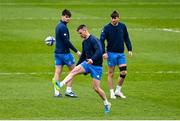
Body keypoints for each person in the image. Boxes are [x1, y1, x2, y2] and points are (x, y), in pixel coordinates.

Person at [52, 24, 111, 113]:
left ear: (85, 30)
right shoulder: (84, 42)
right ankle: (60, 84)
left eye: (80, 33)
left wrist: (92, 59)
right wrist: (77, 65)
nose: (80, 35)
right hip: (87, 63)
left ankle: (106, 103)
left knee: (96, 88)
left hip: (97, 67)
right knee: (73, 71)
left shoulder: (93, 40)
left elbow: (99, 51)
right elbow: (83, 55)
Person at [100, 10, 133, 99]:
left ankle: (118, 90)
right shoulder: (106, 28)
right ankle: (111, 92)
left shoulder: (122, 26)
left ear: (118, 18)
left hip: (121, 54)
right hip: (111, 54)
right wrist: (104, 52)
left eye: (115, 18)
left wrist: (129, 49)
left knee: (124, 72)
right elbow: (101, 40)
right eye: (112, 18)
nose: (113, 20)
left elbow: (126, 38)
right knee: (111, 73)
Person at [52, 9, 81, 97]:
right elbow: (66, 42)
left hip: (57, 53)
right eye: (66, 17)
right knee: (73, 71)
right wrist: (77, 51)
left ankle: (56, 92)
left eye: (69, 17)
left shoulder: (58, 26)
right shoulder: (63, 27)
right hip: (65, 54)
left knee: (57, 72)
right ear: (62, 16)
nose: (68, 19)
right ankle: (68, 90)